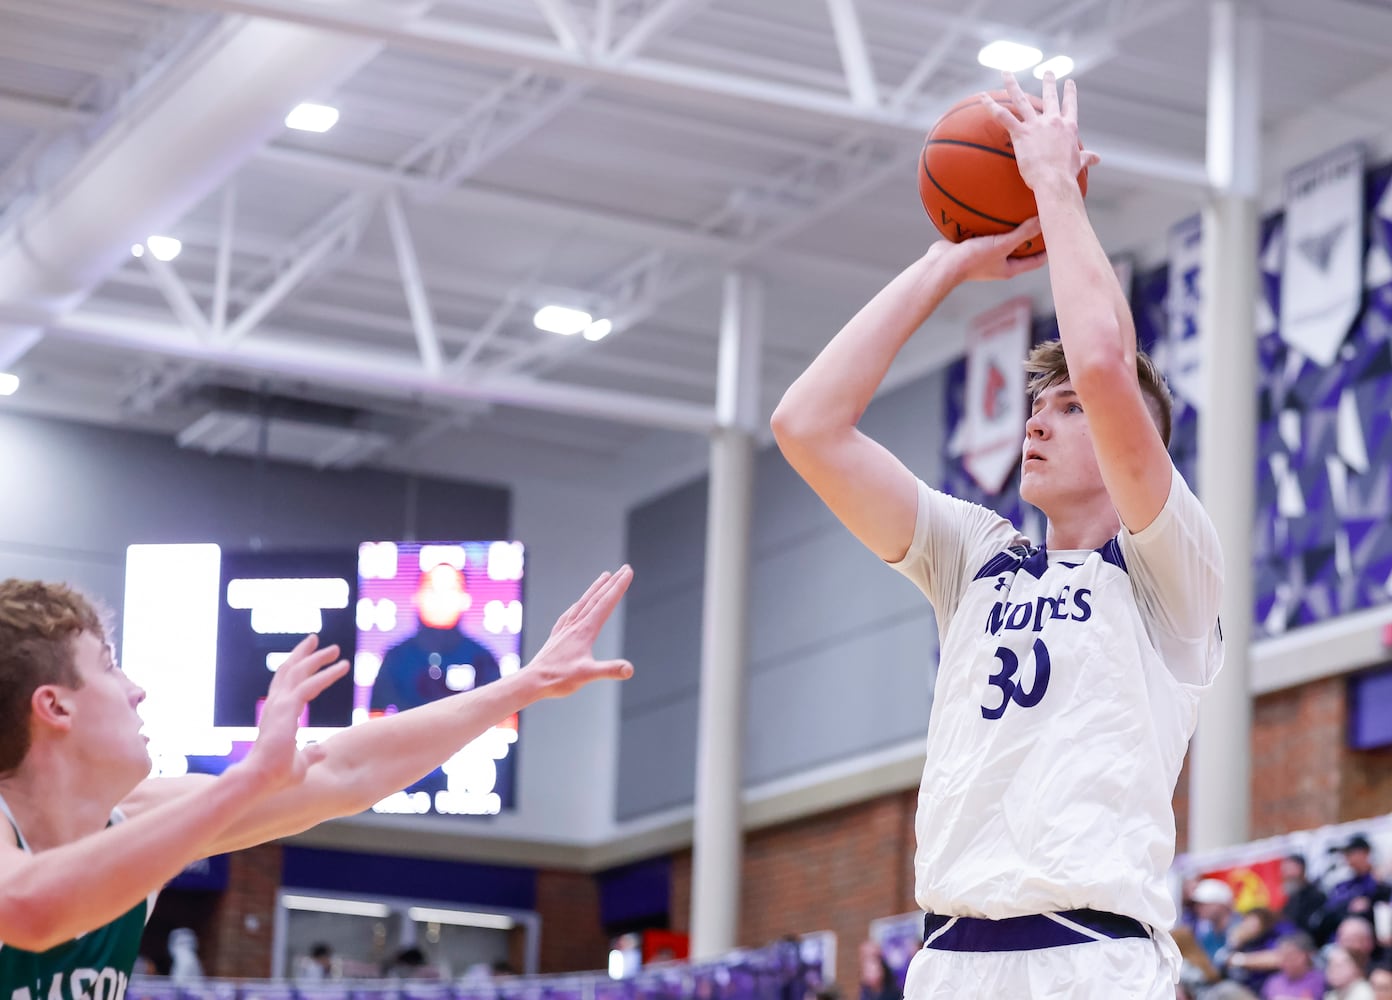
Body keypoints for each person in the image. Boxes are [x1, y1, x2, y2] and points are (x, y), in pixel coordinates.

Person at [771, 70, 1222, 1000]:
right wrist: (950, 261)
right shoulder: (974, 555)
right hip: (946, 958)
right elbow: (806, 425)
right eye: (1033, 407)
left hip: (1089, 958)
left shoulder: (1170, 566)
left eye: (1067, 410)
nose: (1037, 423)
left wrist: (1053, 185)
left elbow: (1104, 361)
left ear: (1140, 444)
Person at [0, 566, 633, 998]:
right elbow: (29, 909)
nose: (138, 691)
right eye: (111, 669)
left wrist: (527, 684)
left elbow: (345, 769)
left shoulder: (133, 821)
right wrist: (245, 782)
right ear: (55, 707)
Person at [370, 563, 502, 715]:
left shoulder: (483, 658)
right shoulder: (397, 656)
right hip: (409, 737)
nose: (441, 598)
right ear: (417, 597)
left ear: (465, 599)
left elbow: (502, 720)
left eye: (450, 590)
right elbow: (376, 714)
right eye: (432, 589)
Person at [1261, 933, 1324, 1000]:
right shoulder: (1273, 982)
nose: (1283, 961)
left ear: (1305, 956)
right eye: (1281, 955)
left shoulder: (1319, 980)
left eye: (1289, 956)